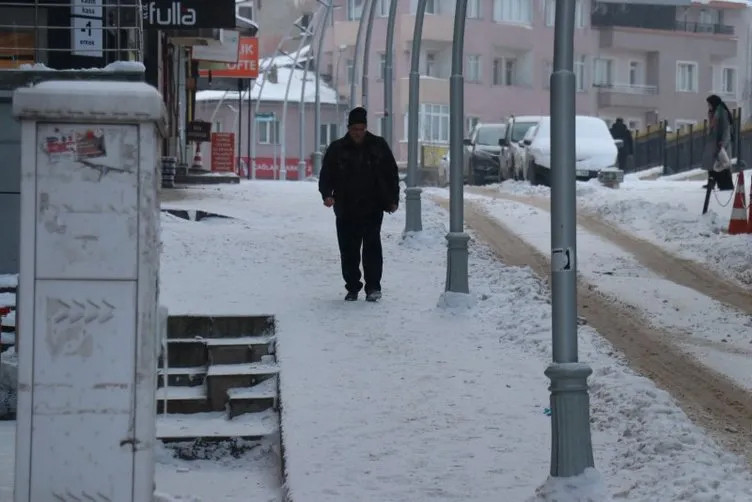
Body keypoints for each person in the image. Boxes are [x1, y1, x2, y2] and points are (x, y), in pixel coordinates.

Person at [319, 107, 400, 302]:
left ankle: (373, 287)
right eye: (355, 129)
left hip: (372, 206)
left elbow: (391, 174)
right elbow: (326, 175)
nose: (358, 133)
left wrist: (392, 200)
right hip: (346, 208)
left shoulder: (378, 146)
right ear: (349, 128)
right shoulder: (337, 149)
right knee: (348, 250)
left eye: (361, 129)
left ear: (365, 128)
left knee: (372, 247)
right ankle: (353, 286)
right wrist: (327, 195)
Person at [702, 94, 735, 191]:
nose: (708, 106)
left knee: (722, 164)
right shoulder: (714, 112)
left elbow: (725, 129)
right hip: (714, 142)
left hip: (720, 142)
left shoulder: (721, 112)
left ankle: (725, 184)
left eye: (709, 104)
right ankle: (711, 182)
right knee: (713, 164)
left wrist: (723, 143)